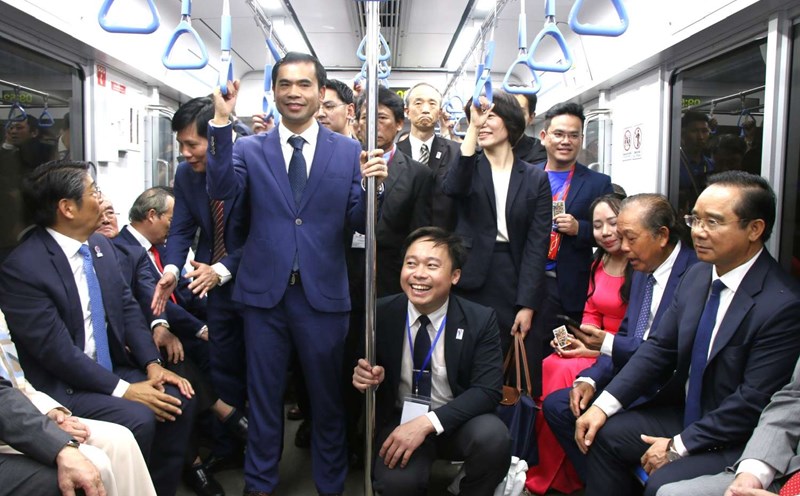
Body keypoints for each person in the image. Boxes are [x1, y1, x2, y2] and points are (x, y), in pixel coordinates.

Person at [201, 52, 388, 496]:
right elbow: (220, 189)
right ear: (274, 91)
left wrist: (372, 186)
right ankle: (259, 483)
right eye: (285, 84)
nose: (294, 93)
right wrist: (222, 123)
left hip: (323, 296)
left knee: (327, 400)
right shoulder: (249, 147)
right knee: (263, 398)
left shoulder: (347, 151)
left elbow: (360, 222)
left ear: (321, 93)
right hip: (264, 296)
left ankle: (329, 484)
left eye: (304, 85)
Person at [574, 171, 800, 496]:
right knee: (602, 433)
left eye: (713, 222)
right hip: (687, 413)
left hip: (736, 435)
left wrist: (678, 445)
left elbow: (753, 401)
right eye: (695, 219)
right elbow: (658, 349)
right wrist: (603, 404)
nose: (698, 232)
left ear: (754, 229)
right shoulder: (697, 276)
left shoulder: (781, 304)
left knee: (664, 484)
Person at [0, 160, 196, 496]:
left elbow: (128, 308)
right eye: (95, 192)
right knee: (140, 416)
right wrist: (125, 390)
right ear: (67, 208)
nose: (103, 202)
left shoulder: (101, 246)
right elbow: (56, 351)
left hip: (110, 369)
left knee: (180, 399)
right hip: (64, 385)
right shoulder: (24, 268)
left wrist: (152, 366)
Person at [542, 193, 697, 483]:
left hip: (666, 393)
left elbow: (664, 353)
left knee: (604, 430)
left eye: (630, 237)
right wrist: (590, 379)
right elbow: (627, 333)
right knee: (559, 406)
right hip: (631, 376)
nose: (623, 247)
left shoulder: (694, 275)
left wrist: (604, 346)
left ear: (662, 235)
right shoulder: (641, 268)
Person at [352, 227, 511, 496]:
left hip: (456, 420)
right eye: (411, 263)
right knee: (396, 484)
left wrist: (427, 423)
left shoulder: (480, 319)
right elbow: (358, 377)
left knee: (494, 438)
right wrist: (365, 380)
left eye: (432, 265)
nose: (419, 274)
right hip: (400, 419)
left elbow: (487, 390)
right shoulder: (380, 313)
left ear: (455, 276)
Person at [153, 96, 250, 476]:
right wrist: (173, 270)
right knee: (222, 367)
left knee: (261, 371)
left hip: (257, 282)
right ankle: (228, 445)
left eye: (192, 144)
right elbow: (181, 229)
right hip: (216, 288)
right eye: (180, 145)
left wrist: (222, 268)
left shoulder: (251, 164)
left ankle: (261, 450)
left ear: (215, 137)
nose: (185, 153)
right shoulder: (185, 174)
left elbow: (264, 235)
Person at [526, 194, 632, 495]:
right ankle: (552, 470)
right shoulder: (599, 260)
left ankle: (570, 473)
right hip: (595, 344)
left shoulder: (639, 267)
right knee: (552, 362)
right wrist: (581, 336)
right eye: (598, 226)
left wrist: (591, 349)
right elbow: (591, 311)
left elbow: (635, 333)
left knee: (563, 372)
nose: (606, 232)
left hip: (618, 352)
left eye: (613, 223)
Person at [441, 91, 551, 370]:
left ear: (511, 122)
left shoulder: (535, 178)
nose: (483, 123)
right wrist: (473, 129)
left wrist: (527, 303)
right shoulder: (469, 166)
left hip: (511, 275)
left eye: (491, 116)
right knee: (463, 356)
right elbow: (452, 188)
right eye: (477, 118)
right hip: (470, 275)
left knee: (502, 359)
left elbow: (537, 245)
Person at [0, 310, 156, 496]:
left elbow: (17, 382)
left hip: (21, 413)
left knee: (120, 440)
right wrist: (55, 441)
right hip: (10, 425)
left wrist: (51, 411)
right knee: (95, 463)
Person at [532, 101, 614, 396]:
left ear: (581, 139)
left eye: (574, 135)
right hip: (528, 281)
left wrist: (581, 229)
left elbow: (611, 235)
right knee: (526, 353)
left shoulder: (597, 183)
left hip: (568, 287)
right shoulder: (526, 176)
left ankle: (552, 408)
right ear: (544, 137)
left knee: (560, 352)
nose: (566, 141)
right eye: (559, 134)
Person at [657, 357, 800, 496]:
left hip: (733, 438)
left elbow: (749, 401)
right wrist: (752, 473)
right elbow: (793, 399)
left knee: (661, 479)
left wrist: (678, 447)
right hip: (787, 470)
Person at [355, 86, 433, 296]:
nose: (372, 125)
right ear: (357, 125)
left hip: (392, 278)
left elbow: (419, 233)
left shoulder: (418, 174)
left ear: (399, 124)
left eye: (381, 118)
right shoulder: (339, 165)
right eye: (365, 118)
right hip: (345, 275)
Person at [397, 82, 461, 231]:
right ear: (407, 111)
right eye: (418, 103)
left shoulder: (455, 152)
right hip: (401, 239)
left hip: (442, 238)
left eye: (432, 104)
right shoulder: (395, 153)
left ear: (439, 112)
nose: (425, 110)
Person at [678, 111, 714, 213]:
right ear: (683, 133)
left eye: (704, 131)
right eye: (694, 131)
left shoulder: (711, 164)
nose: (700, 137)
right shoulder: (674, 165)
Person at [511, 92, 547, 165]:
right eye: (506, 111)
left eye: (520, 112)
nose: (511, 117)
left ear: (531, 117)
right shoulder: (484, 148)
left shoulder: (540, 152)